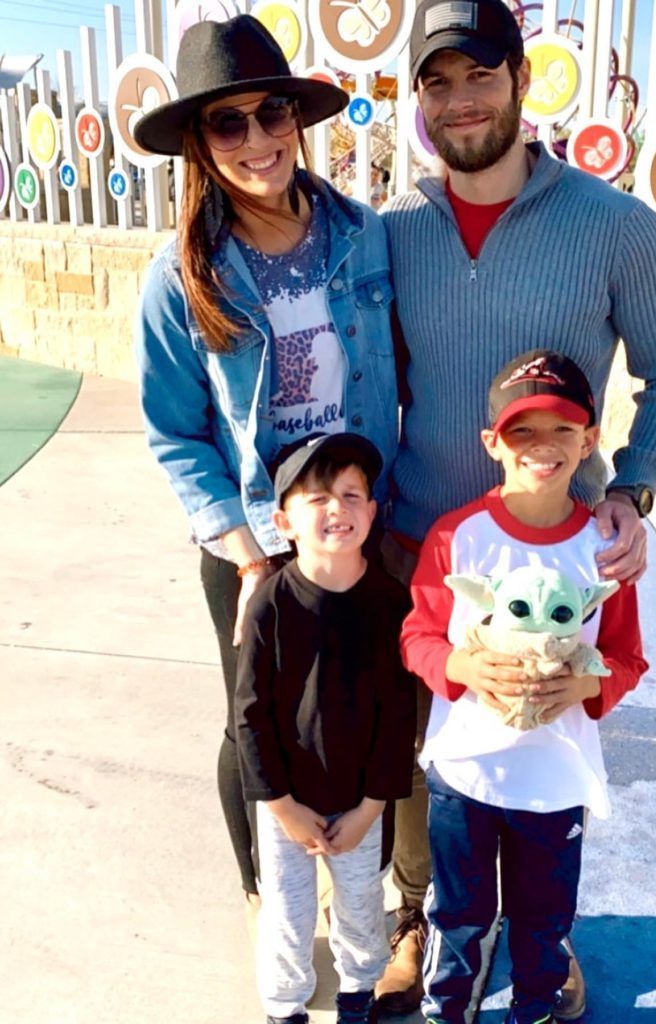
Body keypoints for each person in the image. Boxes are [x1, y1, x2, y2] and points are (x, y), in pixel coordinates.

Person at [377, 0, 656, 1014]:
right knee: (422, 756)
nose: (459, 98)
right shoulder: (390, 236)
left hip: (560, 553)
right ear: (420, 104)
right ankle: (421, 920)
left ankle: (541, 939)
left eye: (479, 73)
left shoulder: (617, 227)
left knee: (545, 748)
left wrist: (636, 487)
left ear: (522, 81)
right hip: (420, 547)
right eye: (437, 81)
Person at [132, 15, 398, 924]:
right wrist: (249, 558)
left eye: (270, 112)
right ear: (199, 145)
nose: (256, 140)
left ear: (297, 118)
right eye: (227, 122)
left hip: (358, 525)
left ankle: (357, 887)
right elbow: (174, 432)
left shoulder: (362, 236)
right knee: (254, 720)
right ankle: (266, 891)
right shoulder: (182, 276)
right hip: (255, 535)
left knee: (363, 709)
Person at [401, 350, 648, 1024]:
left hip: (554, 776)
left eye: (562, 430)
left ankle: (534, 1008)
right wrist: (462, 667)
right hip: (466, 773)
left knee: (542, 921)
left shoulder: (602, 547)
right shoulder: (457, 536)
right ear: (492, 444)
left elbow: (625, 657)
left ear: (589, 441)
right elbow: (417, 637)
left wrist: (583, 691)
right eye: (522, 432)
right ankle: (445, 1008)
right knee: (456, 915)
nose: (543, 448)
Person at [235, 432, 416, 1024]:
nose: (337, 508)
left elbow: (397, 715)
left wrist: (370, 806)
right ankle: (284, 1008)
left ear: (373, 510)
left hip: (358, 803)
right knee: (287, 915)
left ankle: (357, 997)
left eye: (351, 493)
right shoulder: (270, 604)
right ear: (283, 520)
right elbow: (250, 716)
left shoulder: (390, 602)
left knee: (363, 907)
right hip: (287, 800)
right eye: (317, 498)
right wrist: (282, 806)